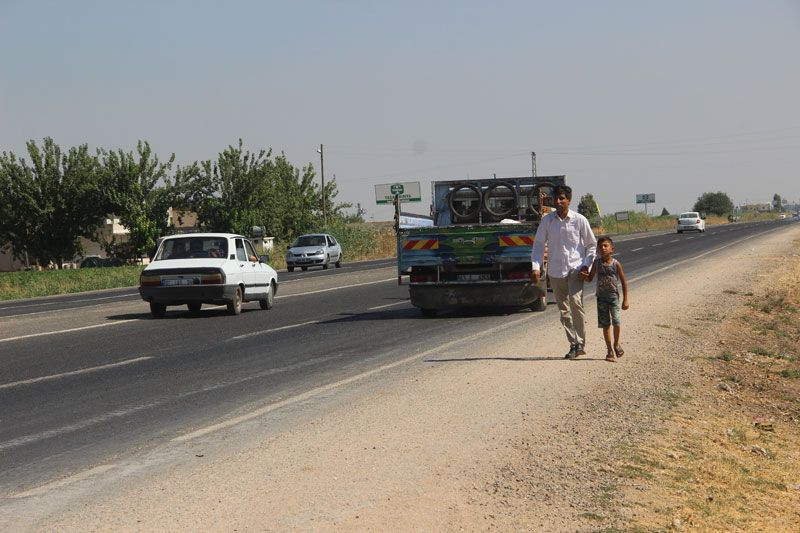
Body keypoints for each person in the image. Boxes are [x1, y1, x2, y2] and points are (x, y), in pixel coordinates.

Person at [530, 185, 597, 359]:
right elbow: (538, 244)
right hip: (555, 271)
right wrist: (536, 267)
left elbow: (591, 245)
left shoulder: (579, 220)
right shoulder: (547, 221)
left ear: (569, 200)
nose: (558, 202)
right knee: (564, 310)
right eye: (556, 199)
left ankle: (581, 342)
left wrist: (586, 266)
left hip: (575, 269)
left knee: (576, 303)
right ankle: (573, 344)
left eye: (562, 198)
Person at [585, 236, 629, 362]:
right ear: (598, 250)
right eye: (600, 247)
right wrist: (583, 276)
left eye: (605, 246)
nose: (603, 248)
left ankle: (616, 344)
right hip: (601, 298)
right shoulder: (596, 263)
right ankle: (609, 350)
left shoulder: (616, 264)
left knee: (616, 322)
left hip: (613, 297)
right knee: (605, 325)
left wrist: (626, 299)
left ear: (612, 249)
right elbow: (590, 278)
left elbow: (624, 282)